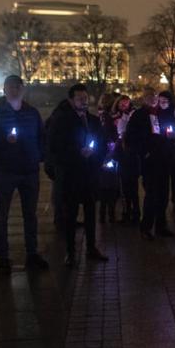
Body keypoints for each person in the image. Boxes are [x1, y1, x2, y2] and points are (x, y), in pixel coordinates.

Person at [0, 75, 48, 272]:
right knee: (1, 215)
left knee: (30, 215)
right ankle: (3, 257)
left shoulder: (32, 113)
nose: (15, 90)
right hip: (5, 171)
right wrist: (3, 141)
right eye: (11, 87)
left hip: (29, 171)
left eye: (18, 87)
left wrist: (39, 156)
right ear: (5, 89)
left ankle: (32, 253)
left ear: (23, 89)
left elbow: (42, 137)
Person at [47, 84, 108, 266]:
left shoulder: (94, 121)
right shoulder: (62, 121)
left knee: (90, 213)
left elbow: (102, 144)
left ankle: (91, 247)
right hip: (71, 175)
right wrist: (77, 153)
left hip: (90, 175)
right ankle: (71, 252)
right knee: (70, 215)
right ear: (71, 100)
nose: (83, 101)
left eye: (85, 98)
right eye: (79, 98)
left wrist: (95, 156)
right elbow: (55, 147)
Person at [126, 87, 175, 240]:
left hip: (163, 159)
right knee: (151, 195)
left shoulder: (162, 113)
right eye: (149, 97)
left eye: (155, 96)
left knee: (163, 195)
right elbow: (131, 138)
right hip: (150, 161)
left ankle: (161, 225)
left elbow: (168, 131)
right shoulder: (139, 115)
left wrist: (171, 136)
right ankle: (146, 227)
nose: (153, 99)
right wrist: (144, 153)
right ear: (144, 99)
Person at [112, 95, 140, 224]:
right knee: (125, 186)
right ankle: (128, 211)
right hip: (122, 154)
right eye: (121, 104)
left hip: (130, 155)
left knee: (131, 187)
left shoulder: (133, 116)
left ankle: (133, 213)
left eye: (126, 104)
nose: (124, 107)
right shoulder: (114, 116)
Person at [97, 93, 121, 224]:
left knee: (105, 184)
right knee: (110, 184)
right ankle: (109, 214)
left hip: (104, 153)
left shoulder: (101, 116)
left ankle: (103, 213)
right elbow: (109, 135)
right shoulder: (108, 117)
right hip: (109, 154)